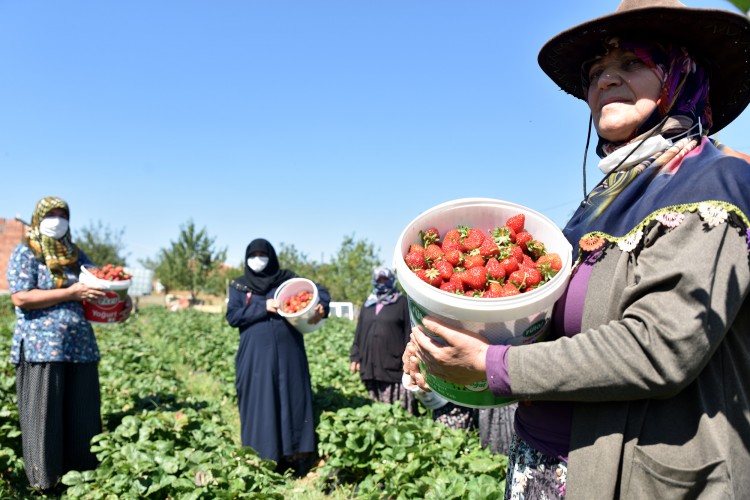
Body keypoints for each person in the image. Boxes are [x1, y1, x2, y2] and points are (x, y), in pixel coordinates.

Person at [405, 1, 750, 498]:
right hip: (543, 464)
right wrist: (444, 345)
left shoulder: (711, 181)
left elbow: (661, 348)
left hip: (635, 474)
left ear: (682, 72)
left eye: (631, 63)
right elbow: (545, 331)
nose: (604, 81)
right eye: (595, 72)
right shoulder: (599, 203)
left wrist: (492, 365)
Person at [6, 196, 133, 492]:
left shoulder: (78, 256)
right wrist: (70, 293)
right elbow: (21, 297)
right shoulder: (27, 253)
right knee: (44, 415)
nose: (58, 219)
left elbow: (102, 288)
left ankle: (81, 480)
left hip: (80, 347)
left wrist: (122, 306)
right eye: (51, 214)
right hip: (42, 349)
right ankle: (45, 483)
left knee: (82, 413)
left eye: (63, 214)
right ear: (38, 219)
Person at [225, 238, 330, 477]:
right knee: (261, 401)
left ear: (271, 256)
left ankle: (295, 459)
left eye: (263, 254)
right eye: (254, 254)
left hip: (289, 353)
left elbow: (317, 291)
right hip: (255, 356)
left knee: (291, 399)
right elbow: (233, 317)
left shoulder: (287, 279)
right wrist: (263, 306)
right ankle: (262, 458)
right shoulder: (240, 286)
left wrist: (322, 304)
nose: (258, 259)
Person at [350, 266, 419, 415]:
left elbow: (410, 332)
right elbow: (359, 332)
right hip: (370, 366)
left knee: (397, 413)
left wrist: (409, 360)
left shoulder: (401, 303)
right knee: (375, 412)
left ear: (392, 280)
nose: (382, 283)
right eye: (379, 280)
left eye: (385, 279)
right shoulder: (368, 303)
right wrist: (355, 356)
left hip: (393, 366)